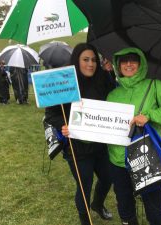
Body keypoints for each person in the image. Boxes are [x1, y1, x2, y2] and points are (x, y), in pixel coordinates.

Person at [106, 47, 161, 225]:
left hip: (147, 160)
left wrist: (151, 115)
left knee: (155, 212)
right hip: (118, 162)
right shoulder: (112, 95)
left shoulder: (155, 86)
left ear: (141, 63)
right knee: (125, 209)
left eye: (133, 60)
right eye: (124, 60)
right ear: (117, 65)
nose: (128, 64)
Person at [49, 43, 115, 225]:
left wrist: (111, 73)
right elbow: (51, 114)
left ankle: (97, 204)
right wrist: (63, 124)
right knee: (84, 186)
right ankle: (85, 220)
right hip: (77, 149)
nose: (90, 64)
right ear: (77, 61)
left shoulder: (103, 78)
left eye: (94, 60)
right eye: (85, 60)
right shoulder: (66, 83)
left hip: (100, 145)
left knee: (108, 177)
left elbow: (115, 96)